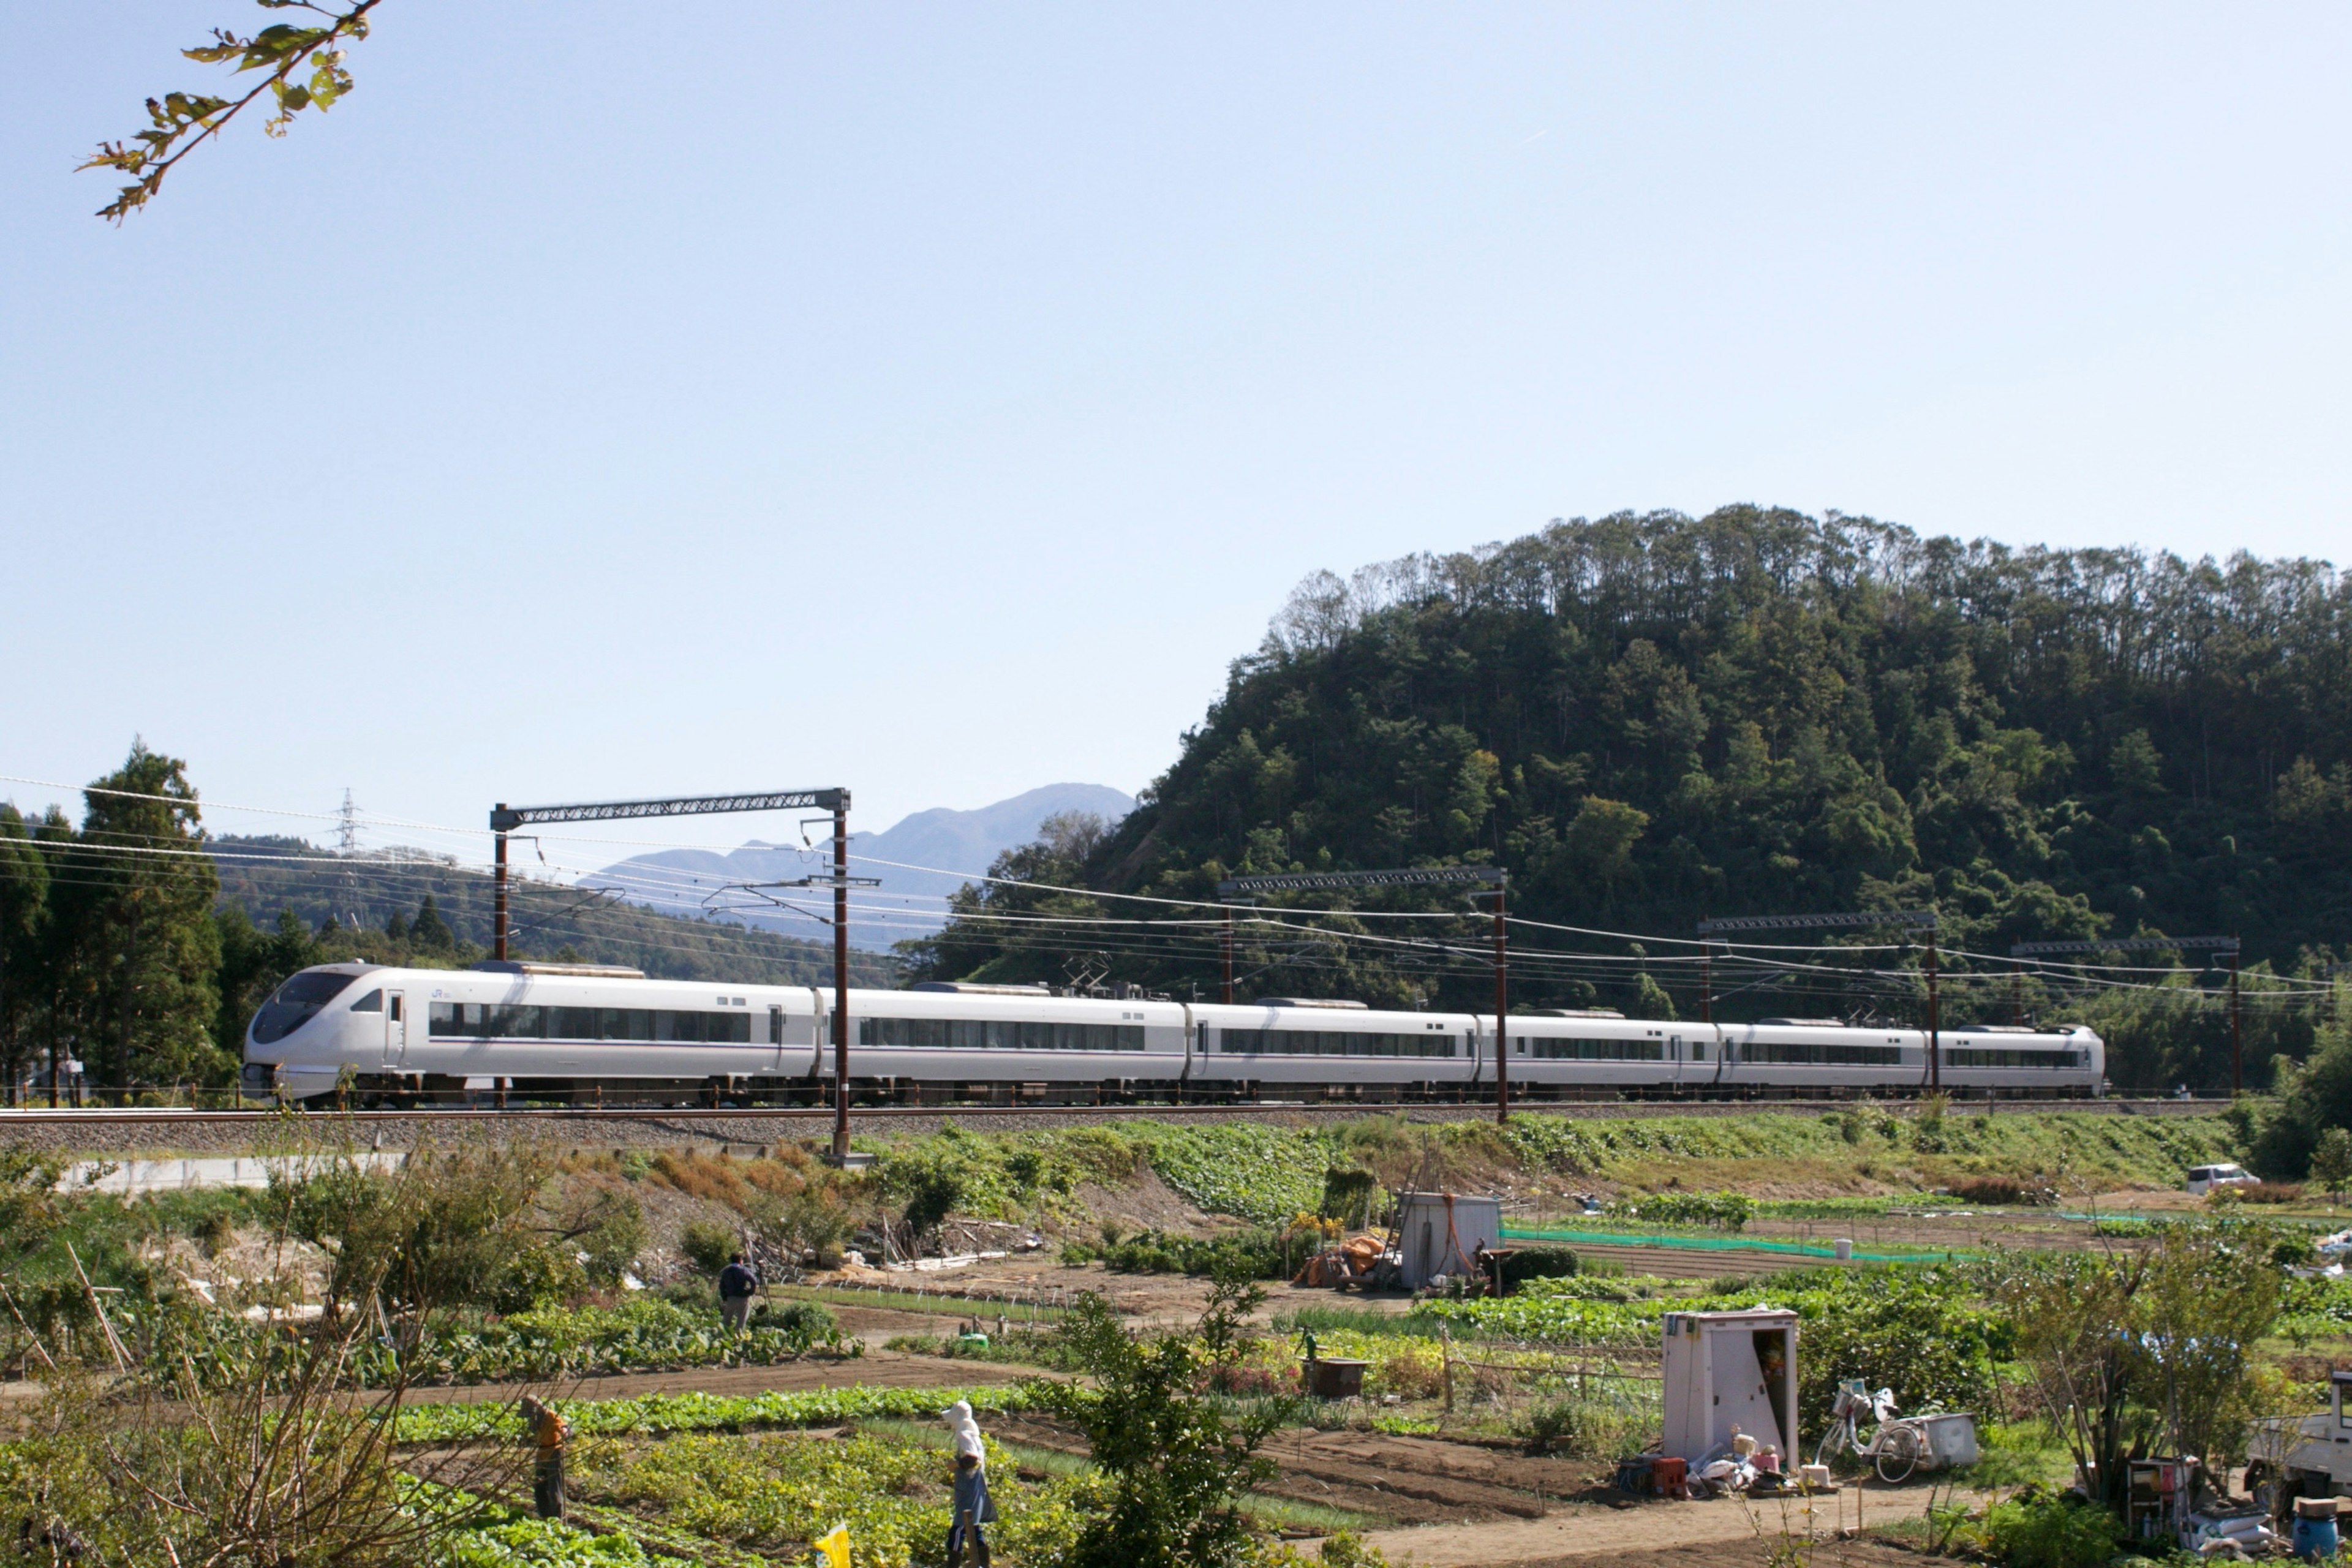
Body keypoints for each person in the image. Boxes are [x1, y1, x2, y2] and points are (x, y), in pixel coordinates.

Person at [941, 1399, 994, 1567]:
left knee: (958, 1530)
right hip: (977, 1485)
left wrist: (955, 1464)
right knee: (974, 1527)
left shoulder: (964, 1434)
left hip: (969, 1487)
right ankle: (983, 1564)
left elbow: (972, 1458)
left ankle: (953, 1565)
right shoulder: (973, 1433)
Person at [518, 1396, 568, 1520]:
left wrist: (565, 1433)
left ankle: (557, 1517)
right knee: (539, 1485)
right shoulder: (536, 1420)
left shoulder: (550, 1416)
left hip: (554, 1451)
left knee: (554, 1486)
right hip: (542, 1451)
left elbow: (565, 1428)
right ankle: (544, 1514)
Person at [717, 1252, 760, 1332]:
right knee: (741, 1320)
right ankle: (738, 1338)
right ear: (740, 1260)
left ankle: (721, 1337)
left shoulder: (727, 1271)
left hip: (731, 1297)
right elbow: (753, 1281)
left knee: (726, 1319)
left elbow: (722, 1285)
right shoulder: (743, 1270)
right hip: (743, 1297)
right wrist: (750, 1292)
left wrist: (724, 1297)